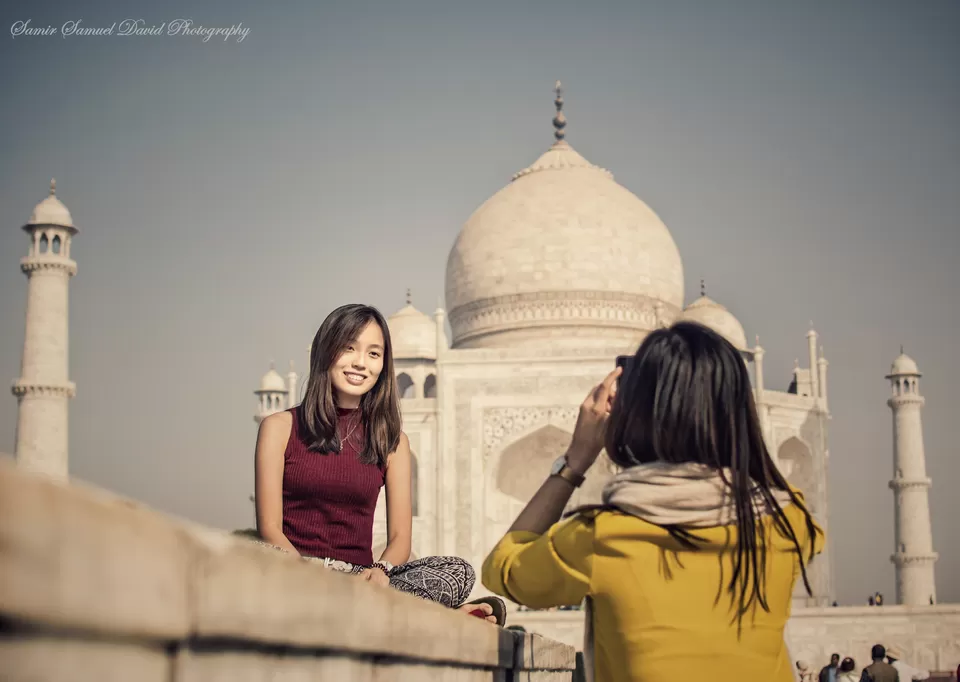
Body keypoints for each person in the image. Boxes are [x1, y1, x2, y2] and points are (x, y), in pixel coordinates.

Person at [481, 321, 824, 682]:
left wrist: (575, 461)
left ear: (638, 415)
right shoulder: (790, 523)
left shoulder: (603, 537)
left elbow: (503, 569)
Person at [255, 304, 502, 624]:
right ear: (325, 352)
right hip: (295, 569)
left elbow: (400, 538)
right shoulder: (280, 427)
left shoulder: (391, 441)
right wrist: (309, 576)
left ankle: (365, 604)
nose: (361, 363)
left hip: (361, 578)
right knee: (248, 556)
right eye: (349, 348)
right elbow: (269, 528)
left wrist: (382, 571)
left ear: (384, 365)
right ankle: (434, 616)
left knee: (457, 571)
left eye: (374, 354)